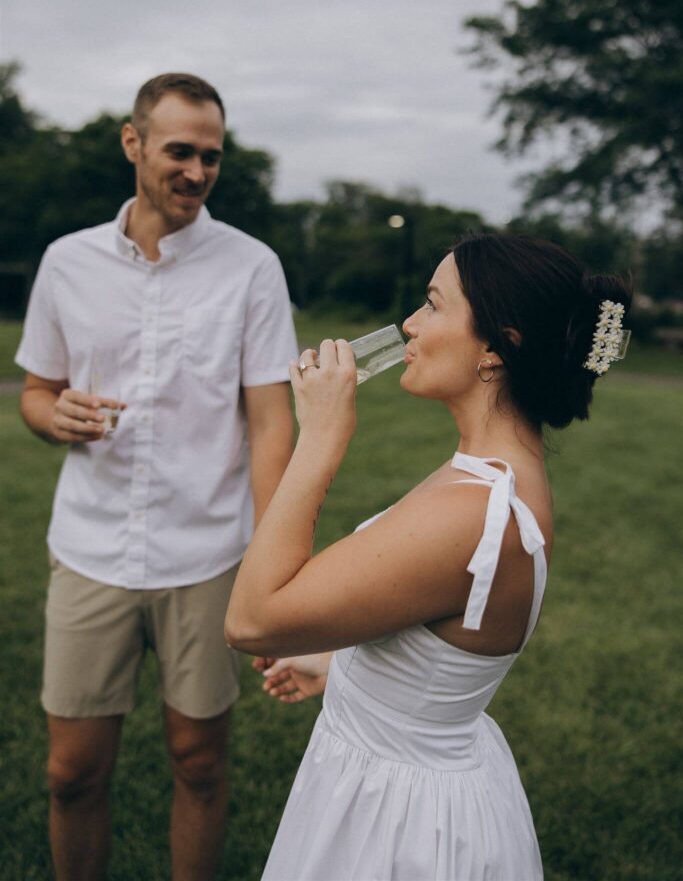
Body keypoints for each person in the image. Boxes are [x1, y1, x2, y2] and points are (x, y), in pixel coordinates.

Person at [226, 233, 632, 881]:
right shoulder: (491, 478)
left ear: (499, 348)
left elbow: (251, 620)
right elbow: (447, 640)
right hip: (414, 769)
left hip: (398, 824)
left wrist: (320, 439)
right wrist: (343, 668)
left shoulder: (472, 512)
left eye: (433, 305)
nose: (409, 325)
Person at [16, 72, 298, 881]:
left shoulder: (252, 267)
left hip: (206, 557)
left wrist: (274, 567)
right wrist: (52, 415)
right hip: (90, 549)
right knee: (72, 773)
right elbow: (37, 393)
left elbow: (272, 422)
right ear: (133, 144)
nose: (198, 172)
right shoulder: (66, 263)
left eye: (212, 157)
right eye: (180, 151)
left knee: (199, 763)